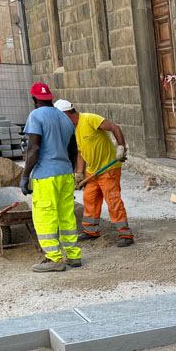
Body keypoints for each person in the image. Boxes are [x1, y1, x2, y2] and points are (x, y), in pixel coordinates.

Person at [53, 99, 134, 246]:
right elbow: (81, 152)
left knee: (112, 200)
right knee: (89, 198)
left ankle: (125, 234)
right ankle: (91, 230)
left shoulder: (89, 119)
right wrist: (79, 173)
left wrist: (121, 147)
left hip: (108, 168)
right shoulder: (75, 128)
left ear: (65, 114)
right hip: (92, 171)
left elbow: (114, 127)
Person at [20, 82, 81, 272]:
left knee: (45, 216)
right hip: (65, 174)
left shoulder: (35, 116)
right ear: (50, 98)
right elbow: (73, 150)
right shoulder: (64, 119)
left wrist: (24, 176)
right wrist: (70, 172)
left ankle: (54, 259)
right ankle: (73, 256)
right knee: (66, 215)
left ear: (34, 99)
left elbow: (34, 148)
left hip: (45, 176)